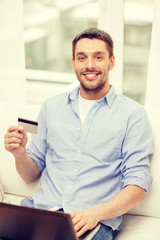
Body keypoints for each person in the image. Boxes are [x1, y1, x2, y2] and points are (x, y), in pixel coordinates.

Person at [4, 28, 153, 240]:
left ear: (111, 62)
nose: (89, 65)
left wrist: (96, 213)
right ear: (74, 63)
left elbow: (137, 185)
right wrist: (20, 153)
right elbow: (30, 176)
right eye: (82, 58)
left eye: (98, 57)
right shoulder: (51, 107)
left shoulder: (133, 115)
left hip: (90, 224)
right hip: (40, 213)